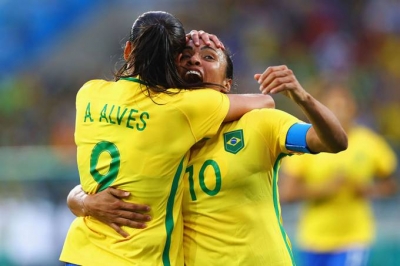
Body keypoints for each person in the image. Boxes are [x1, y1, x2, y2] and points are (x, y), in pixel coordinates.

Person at [67, 35, 348, 266]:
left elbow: (333, 142)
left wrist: (303, 97)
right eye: (186, 56)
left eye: (209, 57)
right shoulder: (158, 126)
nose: (194, 59)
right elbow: (93, 187)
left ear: (227, 84)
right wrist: (83, 203)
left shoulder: (260, 123)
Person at [59, 11, 274, 266]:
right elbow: (265, 101)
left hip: (80, 252)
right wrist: (199, 44)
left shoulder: (89, 93)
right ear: (175, 61)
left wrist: (82, 201)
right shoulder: (182, 108)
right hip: (138, 258)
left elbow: (88, 184)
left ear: (128, 50)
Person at [279, 84, 398, 266]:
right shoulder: (309, 142)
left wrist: (368, 190)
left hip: (354, 238)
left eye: (344, 105)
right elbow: (287, 194)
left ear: (354, 108)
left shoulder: (370, 143)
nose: (340, 111)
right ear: (322, 110)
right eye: (333, 106)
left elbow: (390, 185)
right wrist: (324, 189)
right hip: (314, 239)